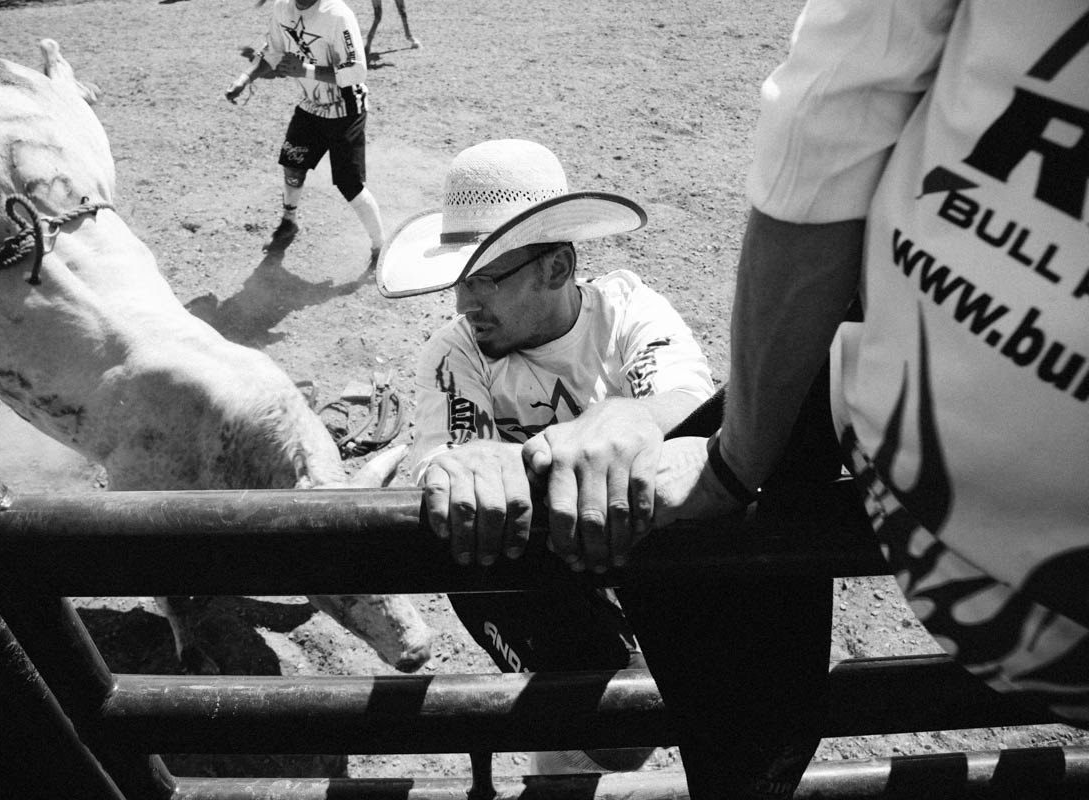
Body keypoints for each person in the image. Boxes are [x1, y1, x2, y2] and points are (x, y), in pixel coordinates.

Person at [535, 0, 1089, 794]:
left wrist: (736, 461)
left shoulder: (621, 311)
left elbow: (828, 119)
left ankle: (746, 777)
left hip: (931, 486)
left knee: (696, 557)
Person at [376, 138, 716, 773]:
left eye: (483, 281)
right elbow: (445, 457)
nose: (462, 305)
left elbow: (687, 396)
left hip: (629, 558)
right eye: (460, 281)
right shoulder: (457, 353)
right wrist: (465, 460)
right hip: (539, 573)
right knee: (594, 739)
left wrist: (630, 416)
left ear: (556, 268)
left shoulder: (625, 312)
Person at [226, 0, 386, 263]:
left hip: (345, 107)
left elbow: (357, 71)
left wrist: (305, 70)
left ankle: (380, 245)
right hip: (311, 104)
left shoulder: (337, 15)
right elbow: (273, 53)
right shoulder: (282, 9)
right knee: (293, 163)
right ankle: (289, 221)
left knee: (349, 184)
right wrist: (245, 79)